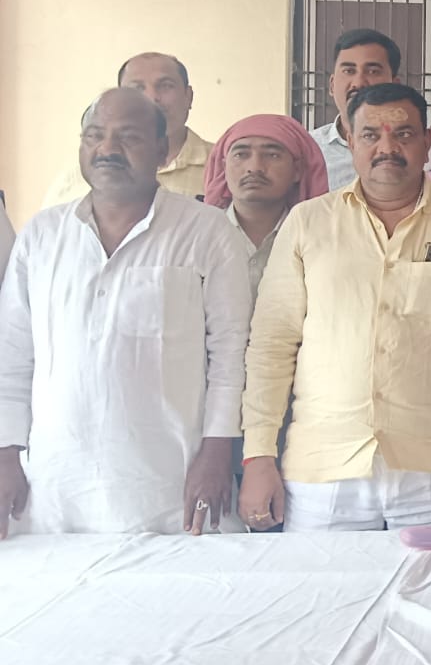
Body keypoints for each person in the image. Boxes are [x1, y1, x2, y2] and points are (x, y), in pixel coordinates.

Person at [238, 84, 431, 533]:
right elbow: (272, 344)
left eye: (404, 134)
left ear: (428, 142)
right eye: (371, 135)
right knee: (323, 584)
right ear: (351, 142)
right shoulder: (308, 222)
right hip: (324, 470)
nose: (387, 148)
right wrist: (258, 455)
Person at [0, 89, 251, 536]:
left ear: (162, 150)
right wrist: (5, 454)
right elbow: (13, 355)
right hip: (56, 488)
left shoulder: (207, 232)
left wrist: (217, 454)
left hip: (169, 487)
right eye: (94, 135)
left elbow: (230, 357)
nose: (107, 149)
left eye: (128, 137)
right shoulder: (42, 235)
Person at [41, 53, 213, 205]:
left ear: (188, 97)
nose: (151, 97)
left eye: (166, 86)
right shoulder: (74, 182)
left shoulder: (221, 167)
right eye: (137, 88)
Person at [310, 28, 431, 190]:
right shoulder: (308, 150)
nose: (358, 83)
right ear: (332, 85)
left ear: (394, 84)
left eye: (373, 71)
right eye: (349, 71)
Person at [203, 115, 330, 298]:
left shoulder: (320, 239)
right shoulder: (199, 235)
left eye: (272, 155)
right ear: (223, 167)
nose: (254, 167)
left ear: (297, 170)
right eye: (241, 155)